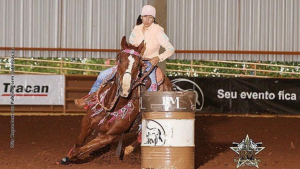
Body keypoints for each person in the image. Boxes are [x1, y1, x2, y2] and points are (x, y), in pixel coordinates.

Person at [75, 5, 175, 107]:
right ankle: (90, 99)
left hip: (149, 62)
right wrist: (122, 60)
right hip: (132, 61)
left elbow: (171, 49)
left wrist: (158, 57)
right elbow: (129, 48)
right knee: (103, 75)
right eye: (145, 16)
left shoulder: (158, 30)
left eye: (150, 17)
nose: (147, 20)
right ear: (141, 17)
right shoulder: (136, 29)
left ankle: (148, 113)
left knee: (152, 86)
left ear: (153, 18)